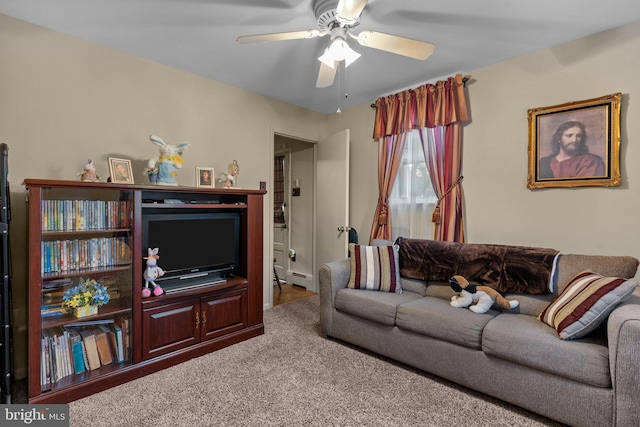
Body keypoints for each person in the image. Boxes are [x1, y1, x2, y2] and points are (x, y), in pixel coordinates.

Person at [539, 120, 606, 179]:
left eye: (578, 136)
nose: (574, 140)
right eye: (569, 136)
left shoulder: (591, 161)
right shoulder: (544, 162)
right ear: (559, 139)